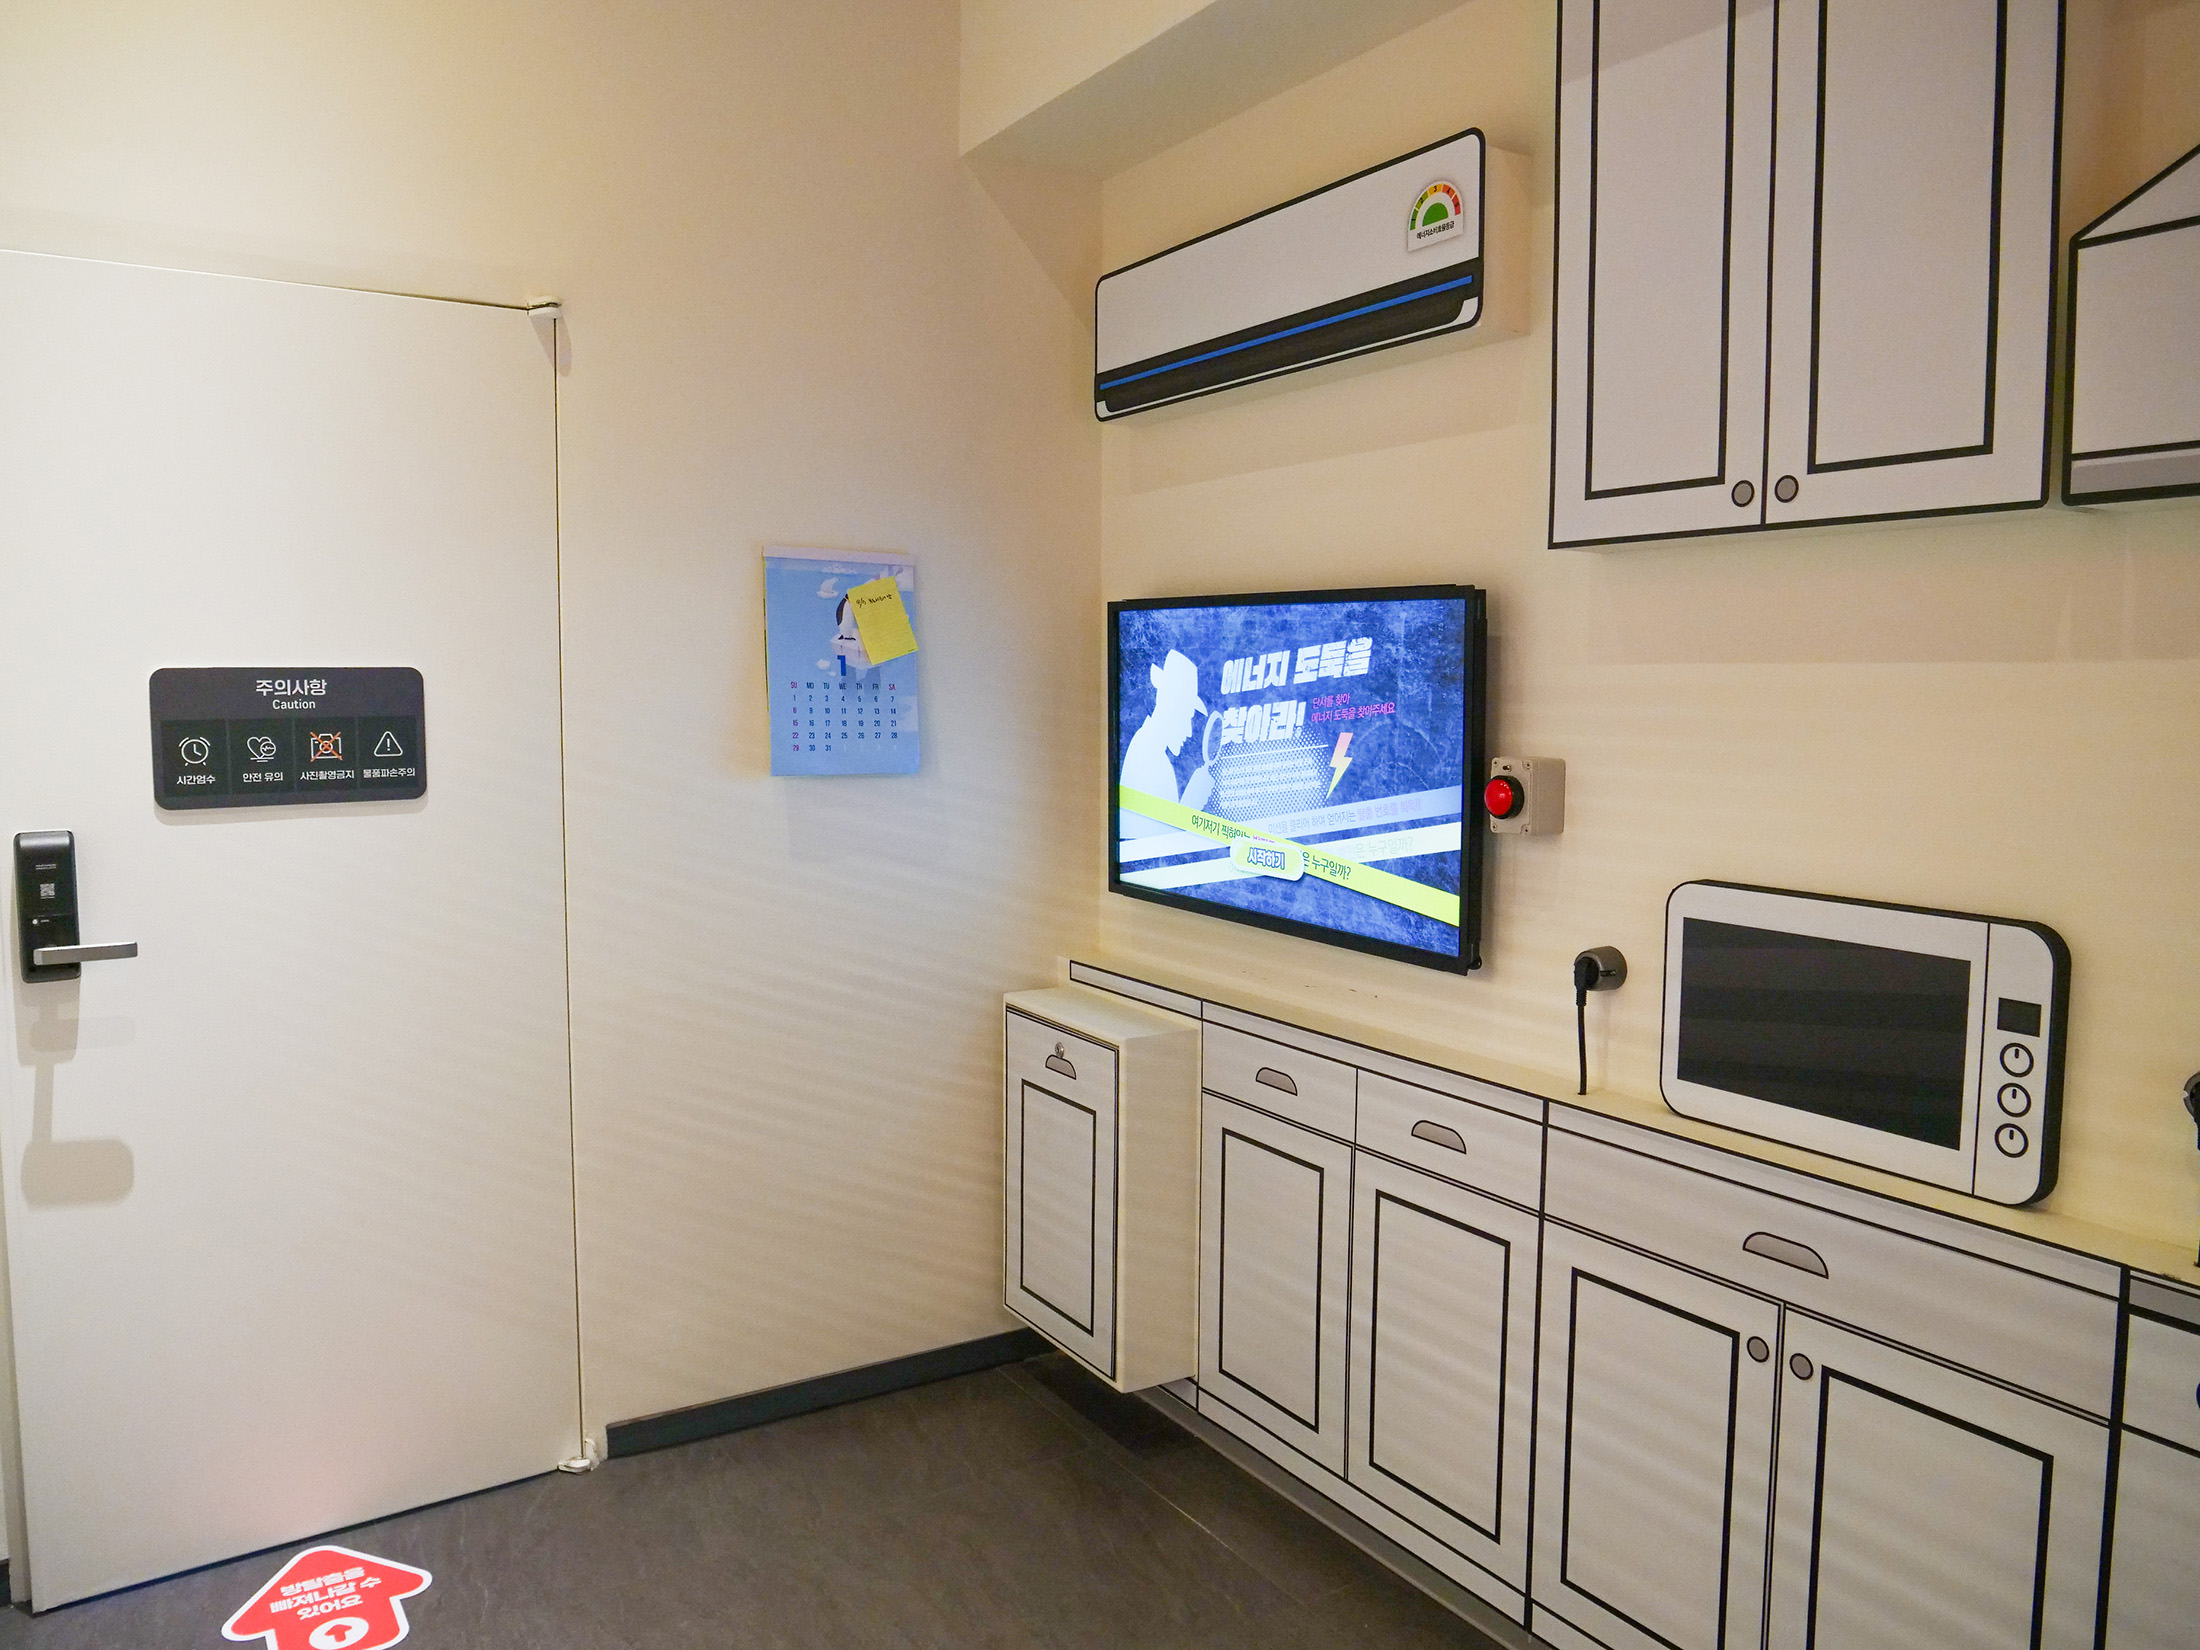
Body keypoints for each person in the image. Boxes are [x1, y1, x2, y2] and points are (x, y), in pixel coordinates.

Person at [1120, 649, 1207, 836]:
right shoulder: (1147, 755)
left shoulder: (1149, 749)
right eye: (1186, 716)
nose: (1189, 731)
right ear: (1170, 705)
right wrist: (1192, 802)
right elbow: (1157, 841)